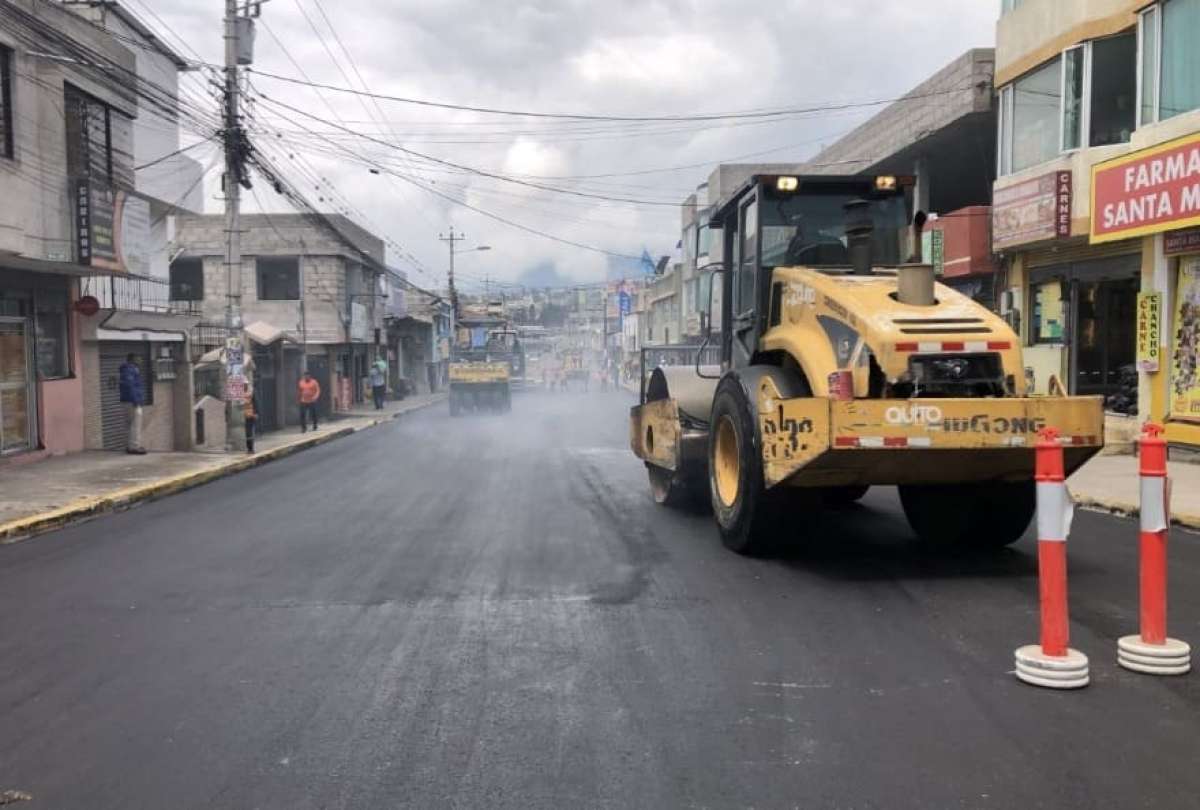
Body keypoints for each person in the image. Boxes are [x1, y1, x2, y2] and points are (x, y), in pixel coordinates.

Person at [118, 353, 146, 455]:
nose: (141, 361)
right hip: (132, 401)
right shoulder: (130, 370)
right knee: (135, 425)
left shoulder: (127, 370)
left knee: (129, 425)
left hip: (127, 401)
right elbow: (130, 387)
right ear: (133, 359)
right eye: (139, 358)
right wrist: (136, 401)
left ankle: (130, 446)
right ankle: (135, 447)